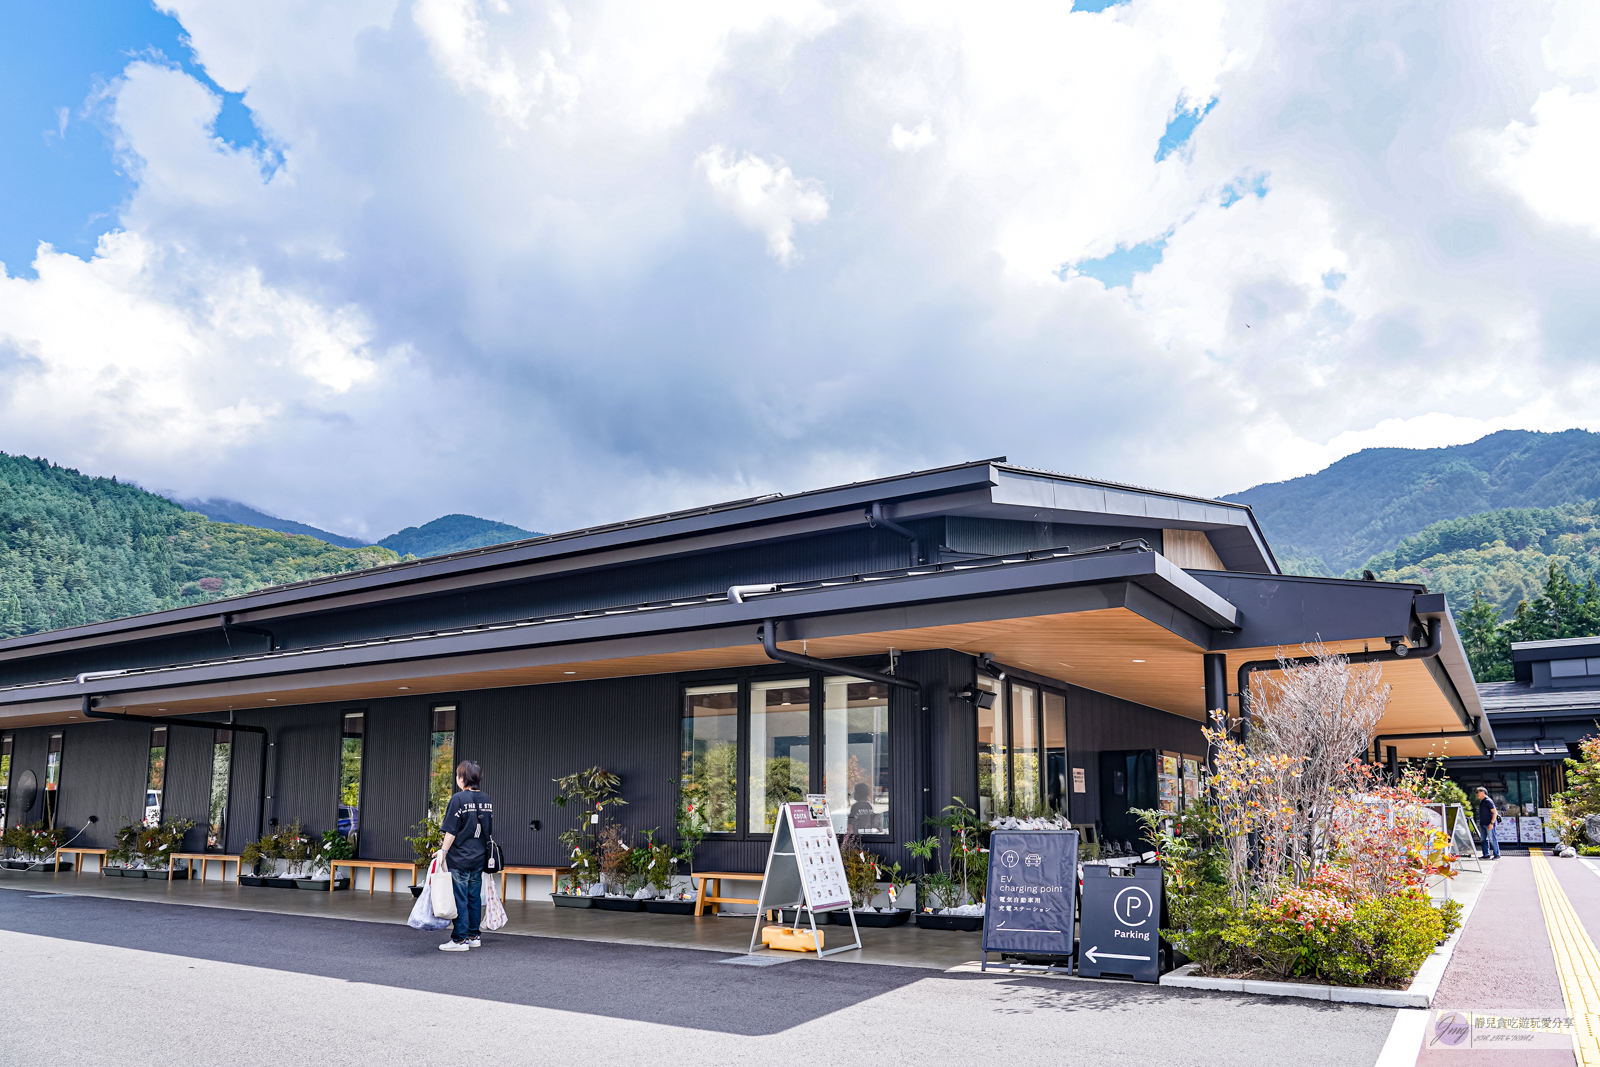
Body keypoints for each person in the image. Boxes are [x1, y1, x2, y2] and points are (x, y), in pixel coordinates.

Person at [437, 760, 493, 951]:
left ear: (462, 778)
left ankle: (460, 940)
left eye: (457, 775)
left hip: (460, 857)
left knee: (459, 897)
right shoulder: (486, 799)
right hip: (479, 856)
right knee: (474, 897)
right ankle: (474, 935)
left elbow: (451, 831)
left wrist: (443, 852)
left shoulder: (458, 799)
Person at [1476, 786, 1500, 860]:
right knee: (1483, 840)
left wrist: (1491, 823)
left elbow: (1495, 812)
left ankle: (1497, 854)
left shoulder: (1488, 801)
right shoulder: (1483, 801)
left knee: (1492, 839)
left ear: (1483, 792)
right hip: (1483, 823)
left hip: (1489, 824)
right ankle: (1486, 854)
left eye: (1477, 792)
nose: (1476, 794)